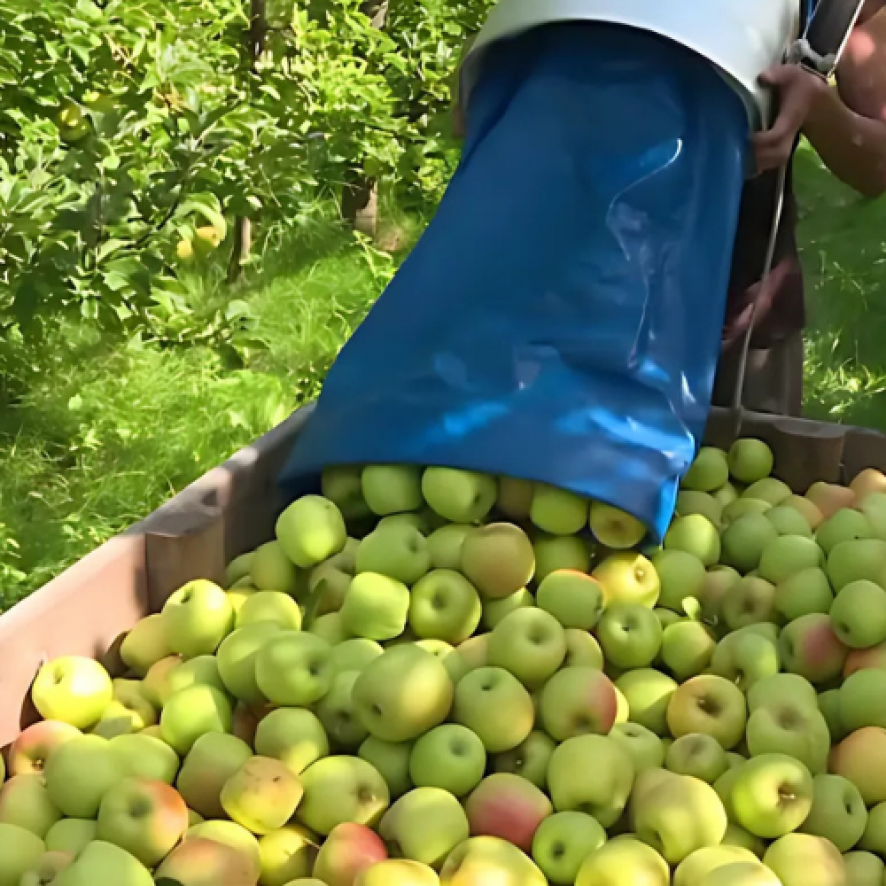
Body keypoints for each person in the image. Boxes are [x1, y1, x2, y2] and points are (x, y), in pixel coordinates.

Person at [453, 0, 886, 418]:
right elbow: (482, 99)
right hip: (543, 278)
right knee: (500, 459)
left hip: (725, 306)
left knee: (737, 477)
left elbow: (876, 163)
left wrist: (819, 108)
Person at [714, 0, 886, 416]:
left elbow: (877, 161)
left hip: (737, 306)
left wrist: (820, 111)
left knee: (745, 465)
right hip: (561, 285)